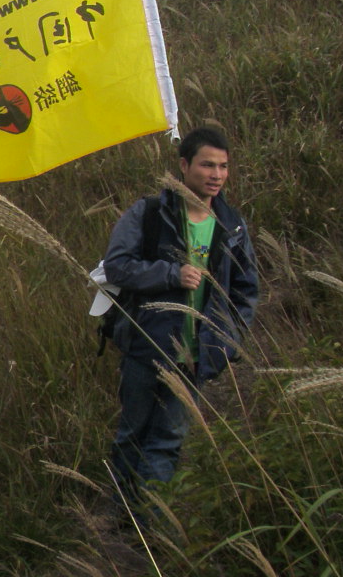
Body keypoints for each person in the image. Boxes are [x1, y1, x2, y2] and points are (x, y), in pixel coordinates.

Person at [102, 126, 259, 508]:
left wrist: (226, 345)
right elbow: (117, 266)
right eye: (208, 165)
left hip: (196, 357)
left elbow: (245, 291)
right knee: (132, 435)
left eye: (223, 166)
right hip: (145, 348)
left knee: (167, 443)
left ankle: (152, 525)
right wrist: (170, 274)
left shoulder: (232, 225)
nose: (217, 175)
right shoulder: (150, 213)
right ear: (184, 165)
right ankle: (120, 520)